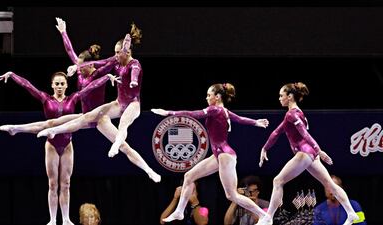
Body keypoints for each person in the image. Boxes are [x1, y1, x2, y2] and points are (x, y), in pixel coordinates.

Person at [36, 24, 161, 183]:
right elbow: (71, 54)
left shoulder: (99, 72)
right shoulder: (85, 71)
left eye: (118, 52)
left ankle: (149, 170)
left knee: (124, 145)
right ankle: (47, 131)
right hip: (95, 113)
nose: (80, 69)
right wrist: (63, 32)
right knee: (63, 121)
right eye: (115, 53)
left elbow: (133, 70)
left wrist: (133, 81)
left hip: (108, 116)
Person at [0, 71, 115, 225]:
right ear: (52, 85)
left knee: (66, 183)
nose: (59, 86)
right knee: (53, 184)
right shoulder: (46, 98)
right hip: (52, 145)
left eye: (62, 83)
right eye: (57, 84)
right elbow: (28, 86)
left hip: (67, 144)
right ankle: (53, 219)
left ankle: (65, 219)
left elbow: (90, 87)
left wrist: (106, 77)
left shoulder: (73, 98)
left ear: (66, 85)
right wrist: (12, 75)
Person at [152, 83, 270, 223]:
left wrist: (169, 113)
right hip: (218, 155)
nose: (207, 98)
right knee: (188, 176)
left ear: (218, 96)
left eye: (209, 95)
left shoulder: (215, 109)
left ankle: (264, 216)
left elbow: (193, 114)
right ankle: (179, 211)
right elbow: (240, 119)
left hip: (225, 155)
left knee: (232, 195)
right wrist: (255, 122)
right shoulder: (224, 111)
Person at [255, 82, 359, 225]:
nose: (279, 98)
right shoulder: (293, 114)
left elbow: (304, 134)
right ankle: (351, 213)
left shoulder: (292, 114)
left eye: (281, 95)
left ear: (290, 96)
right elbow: (276, 132)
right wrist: (265, 148)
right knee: (329, 184)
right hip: (310, 154)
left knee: (278, 181)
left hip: (304, 153)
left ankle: (268, 218)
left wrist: (318, 150)